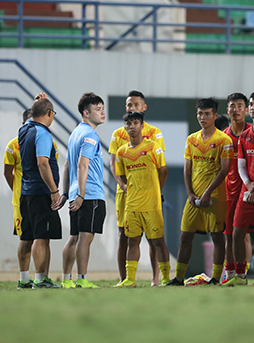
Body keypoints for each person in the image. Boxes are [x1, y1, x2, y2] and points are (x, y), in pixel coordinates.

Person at [166, 98, 232, 286]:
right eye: (200, 114)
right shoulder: (191, 139)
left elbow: (224, 169)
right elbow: (187, 169)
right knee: (185, 236)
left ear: (215, 115)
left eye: (207, 114)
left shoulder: (223, 140)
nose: (202, 117)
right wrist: (190, 194)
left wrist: (208, 192)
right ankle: (178, 278)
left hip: (216, 198)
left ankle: (216, 278)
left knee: (218, 237)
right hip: (194, 198)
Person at [108, 91, 165, 286]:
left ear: (144, 107)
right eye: (129, 105)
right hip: (126, 194)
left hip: (149, 193)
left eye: (136, 105)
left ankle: (155, 278)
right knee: (124, 235)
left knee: (153, 237)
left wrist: (156, 189)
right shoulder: (118, 134)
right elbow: (113, 163)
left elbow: (159, 165)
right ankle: (124, 279)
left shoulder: (155, 132)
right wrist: (122, 185)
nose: (132, 108)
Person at [224, 90, 254, 286]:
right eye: (251, 104)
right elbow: (241, 165)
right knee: (236, 232)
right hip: (247, 189)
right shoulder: (244, 136)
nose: (252, 108)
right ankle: (240, 275)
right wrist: (249, 185)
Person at [61, 92, 106, 289]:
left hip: (75, 193)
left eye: (102, 108)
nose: (102, 113)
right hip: (89, 194)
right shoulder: (90, 134)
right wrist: (81, 193)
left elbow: (66, 164)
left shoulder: (75, 133)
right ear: (86, 113)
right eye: (97, 109)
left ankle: (65, 279)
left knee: (75, 237)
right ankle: (82, 279)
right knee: (85, 237)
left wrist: (66, 193)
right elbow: (81, 165)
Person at [19, 97, 63, 289]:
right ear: (49, 114)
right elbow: (42, 162)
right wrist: (54, 191)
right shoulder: (43, 133)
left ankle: (24, 279)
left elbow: (34, 113)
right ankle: (40, 278)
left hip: (26, 192)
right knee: (41, 237)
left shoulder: (24, 129)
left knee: (26, 237)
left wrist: (38, 101)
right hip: (41, 192)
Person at [4, 108, 39, 289]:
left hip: (40, 198)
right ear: (23, 124)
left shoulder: (44, 142)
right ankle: (24, 278)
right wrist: (17, 190)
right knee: (26, 239)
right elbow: (7, 173)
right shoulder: (13, 145)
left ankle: (41, 278)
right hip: (22, 200)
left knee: (41, 238)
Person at [222, 93, 252, 283]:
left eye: (240, 106)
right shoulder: (224, 136)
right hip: (229, 191)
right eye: (232, 106)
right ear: (227, 110)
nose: (236, 109)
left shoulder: (252, 132)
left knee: (250, 235)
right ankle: (230, 273)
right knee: (229, 235)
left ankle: (253, 273)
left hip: (249, 190)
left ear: (246, 110)